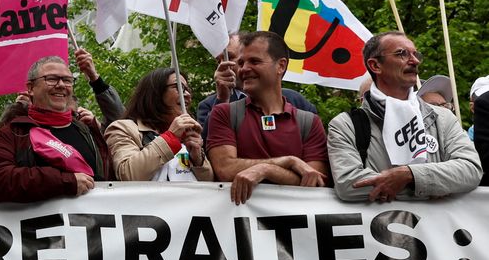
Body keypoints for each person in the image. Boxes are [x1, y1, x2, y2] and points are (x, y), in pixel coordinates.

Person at [328, 33, 481, 202]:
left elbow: (471, 169)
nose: (415, 61)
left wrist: (409, 175)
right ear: (375, 65)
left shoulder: (442, 117)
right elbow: (348, 184)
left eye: (415, 54)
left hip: (436, 228)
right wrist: (435, 185)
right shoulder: (345, 125)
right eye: (402, 54)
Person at [206, 31, 329, 204]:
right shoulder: (223, 113)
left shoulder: (309, 122)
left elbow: (315, 180)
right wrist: (289, 162)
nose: (244, 68)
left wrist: (266, 169)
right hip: (242, 228)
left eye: (254, 61)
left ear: (281, 66)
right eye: (241, 62)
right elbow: (225, 169)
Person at [0, 55, 114, 206]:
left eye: (67, 80)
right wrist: (66, 182)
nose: (61, 85)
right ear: (31, 88)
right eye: (51, 79)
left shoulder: (87, 130)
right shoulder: (13, 134)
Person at [196, 31, 318, 137]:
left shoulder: (296, 102)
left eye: (231, 57)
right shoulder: (209, 106)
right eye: (219, 60)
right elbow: (208, 149)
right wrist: (222, 100)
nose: (222, 65)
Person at [105, 68, 212, 182]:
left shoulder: (188, 133)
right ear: (155, 93)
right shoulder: (123, 128)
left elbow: (211, 184)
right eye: (178, 87)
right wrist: (170, 138)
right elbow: (128, 175)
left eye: (187, 89)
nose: (186, 94)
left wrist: (197, 159)